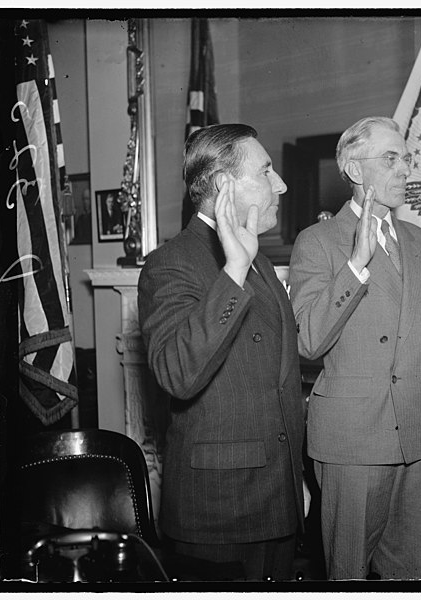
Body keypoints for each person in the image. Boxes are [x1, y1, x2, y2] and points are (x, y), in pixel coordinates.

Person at [138, 124, 307, 581]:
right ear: (224, 186)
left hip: (278, 497)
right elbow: (177, 372)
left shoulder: (263, 263)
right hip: (221, 511)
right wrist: (233, 270)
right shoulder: (170, 263)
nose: (282, 184)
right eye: (267, 171)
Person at [289, 116, 421, 580]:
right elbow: (308, 340)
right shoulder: (318, 241)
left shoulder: (418, 240)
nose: (405, 170)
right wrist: (356, 265)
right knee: (349, 574)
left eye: (407, 159)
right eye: (390, 159)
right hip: (354, 438)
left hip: (415, 429)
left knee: (408, 575)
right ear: (354, 170)